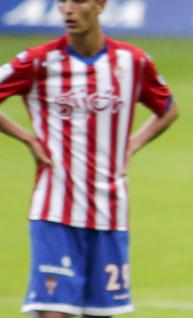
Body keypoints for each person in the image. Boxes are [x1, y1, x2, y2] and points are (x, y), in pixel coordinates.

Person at [0, 0, 179, 316]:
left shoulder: (132, 62)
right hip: (54, 211)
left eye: (79, 1)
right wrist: (27, 137)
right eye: (63, 1)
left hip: (110, 212)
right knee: (52, 311)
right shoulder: (39, 61)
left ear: (100, 5)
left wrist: (134, 142)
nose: (69, 9)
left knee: (100, 313)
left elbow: (168, 110)